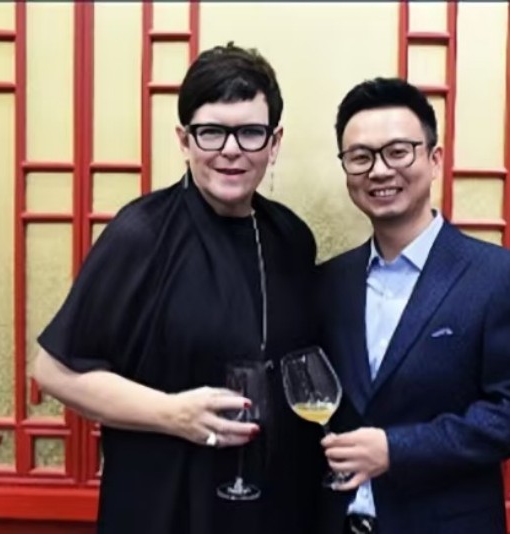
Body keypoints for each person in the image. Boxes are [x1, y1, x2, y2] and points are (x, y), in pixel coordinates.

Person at [32, 43, 320, 534]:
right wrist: (173, 414)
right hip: (164, 502)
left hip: (271, 501)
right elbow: (53, 370)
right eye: (212, 132)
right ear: (184, 141)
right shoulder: (142, 234)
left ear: (274, 143)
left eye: (251, 132)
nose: (231, 149)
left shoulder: (290, 236)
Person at [316, 77, 510, 534]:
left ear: (434, 159)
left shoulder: (502, 278)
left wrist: (397, 449)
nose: (379, 171)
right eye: (360, 157)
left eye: (398, 152)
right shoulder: (329, 281)